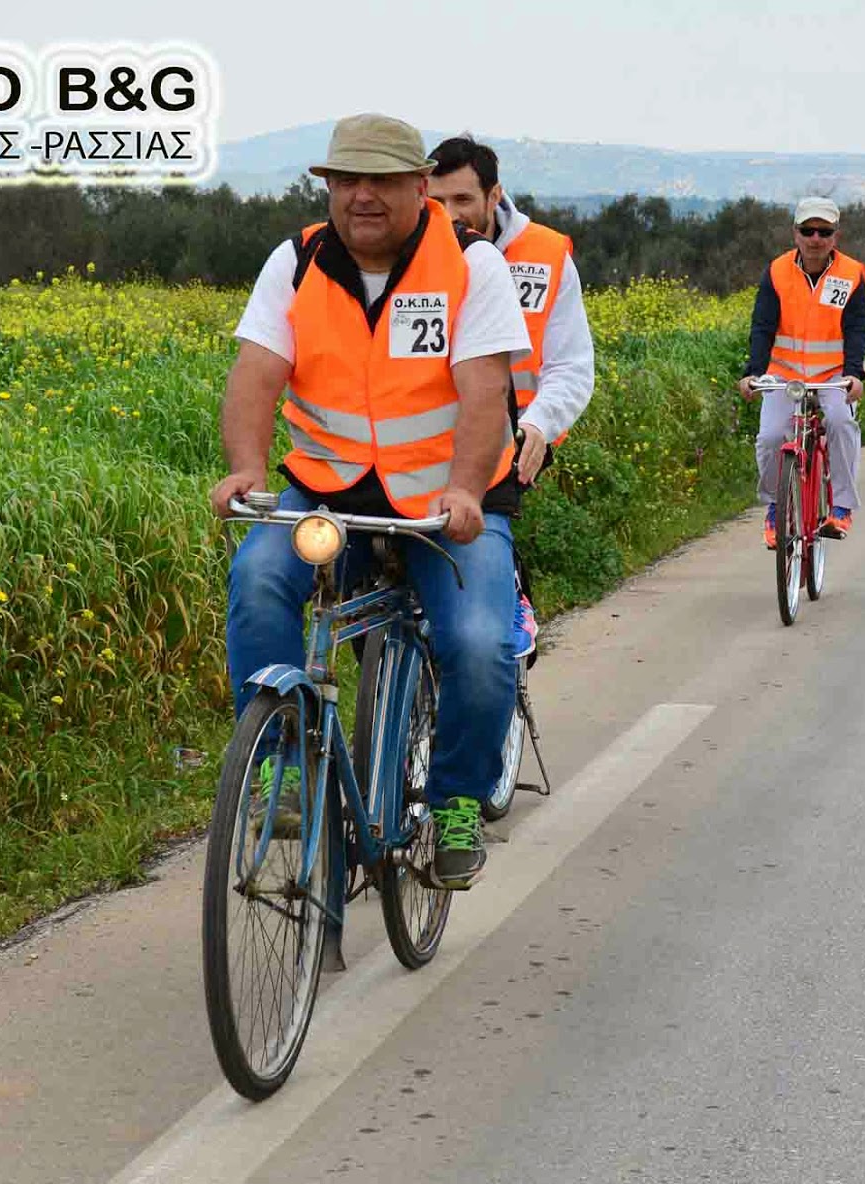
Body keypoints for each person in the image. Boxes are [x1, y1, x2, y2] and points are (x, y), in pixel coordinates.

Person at [211, 113, 533, 890]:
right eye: (345, 181)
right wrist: (246, 470)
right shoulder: (295, 262)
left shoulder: (470, 263)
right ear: (326, 188)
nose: (361, 196)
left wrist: (463, 489)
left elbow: (484, 392)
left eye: (381, 182)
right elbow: (257, 372)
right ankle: (281, 767)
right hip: (326, 486)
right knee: (258, 582)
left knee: (482, 644)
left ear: (418, 188)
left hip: (444, 502)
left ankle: (455, 801)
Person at [427, 134, 595, 658]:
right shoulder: (418, 251)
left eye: (462, 201)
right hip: (428, 428)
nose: (449, 216)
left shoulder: (545, 256)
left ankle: (511, 592)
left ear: (495, 195)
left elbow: (571, 364)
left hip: (521, 432)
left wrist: (541, 424)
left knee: (482, 526)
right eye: (435, 203)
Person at [738, 196, 865, 547]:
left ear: (835, 237)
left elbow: (857, 329)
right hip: (785, 373)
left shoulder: (851, 274)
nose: (815, 238)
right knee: (769, 438)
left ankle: (841, 507)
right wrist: (753, 372)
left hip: (833, 373)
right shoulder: (777, 271)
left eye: (823, 231)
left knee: (841, 423)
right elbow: (762, 326)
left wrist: (855, 373)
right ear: (795, 234)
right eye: (808, 230)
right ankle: (774, 508)